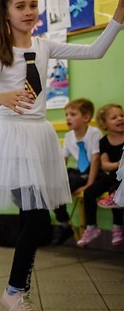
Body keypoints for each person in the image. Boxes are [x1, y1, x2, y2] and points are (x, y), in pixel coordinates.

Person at [0, 0, 124, 311]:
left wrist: (117, 18)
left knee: (33, 219)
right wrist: (0, 97)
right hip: (12, 139)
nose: (29, 12)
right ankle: (15, 292)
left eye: (33, 5)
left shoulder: (44, 45)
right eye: (20, 6)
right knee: (38, 220)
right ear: (6, 12)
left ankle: (18, 292)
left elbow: (94, 51)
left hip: (40, 137)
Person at [52, 98, 102, 245]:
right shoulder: (69, 137)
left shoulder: (94, 133)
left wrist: (89, 185)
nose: (68, 118)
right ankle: (64, 225)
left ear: (86, 118)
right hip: (79, 173)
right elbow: (63, 160)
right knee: (54, 188)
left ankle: (79, 227)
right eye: (66, 115)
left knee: (64, 187)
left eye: (73, 114)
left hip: (94, 173)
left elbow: (96, 160)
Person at [76, 104, 124, 247]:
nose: (120, 119)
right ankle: (91, 227)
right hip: (114, 174)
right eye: (114, 117)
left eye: (122, 115)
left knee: (114, 192)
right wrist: (119, 164)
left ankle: (118, 226)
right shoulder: (104, 142)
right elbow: (105, 165)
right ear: (104, 124)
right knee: (89, 192)